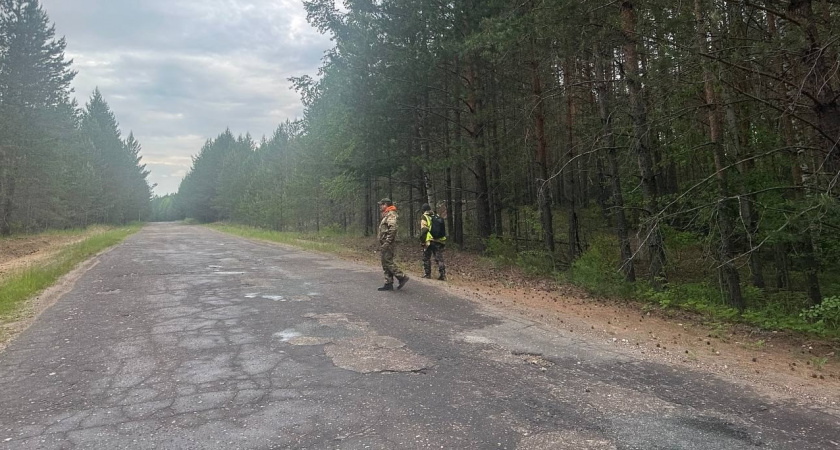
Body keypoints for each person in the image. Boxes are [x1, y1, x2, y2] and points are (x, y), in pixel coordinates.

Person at [377, 198, 409, 291]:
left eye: (382, 204)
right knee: (385, 262)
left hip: (388, 243)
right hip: (385, 243)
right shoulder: (387, 214)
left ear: (386, 204)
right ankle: (388, 283)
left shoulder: (391, 214)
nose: (380, 206)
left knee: (388, 262)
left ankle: (401, 277)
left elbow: (393, 229)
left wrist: (387, 242)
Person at [419, 203, 446, 280]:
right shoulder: (436, 215)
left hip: (429, 240)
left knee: (426, 257)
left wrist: (422, 241)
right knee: (439, 258)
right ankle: (442, 275)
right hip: (438, 240)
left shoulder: (424, 217)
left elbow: (424, 230)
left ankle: (427, 274)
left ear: (423, 210)